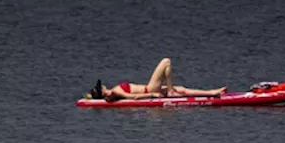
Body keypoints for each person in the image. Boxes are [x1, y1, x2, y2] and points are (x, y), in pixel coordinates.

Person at [86, 58, 226, 101]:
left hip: (151, 88)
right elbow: (132, 97)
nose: (103, 85)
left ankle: (213, 93)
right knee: (166, 62)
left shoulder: (113, 92)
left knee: (182, 89)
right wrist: (152, 95)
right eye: (101, 87)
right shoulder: (115, 92)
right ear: (102, 91)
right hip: (150, 89)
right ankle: (170, 91)